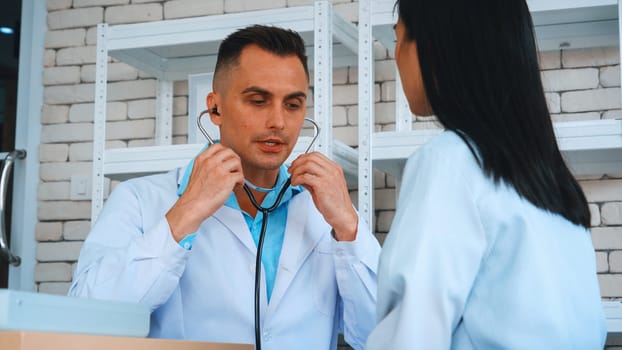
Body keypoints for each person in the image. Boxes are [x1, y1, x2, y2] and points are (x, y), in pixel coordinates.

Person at [69, 25, 380, 350]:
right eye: (258, 101)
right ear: (215, 108)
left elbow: (383, 338)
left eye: (292, 104)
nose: (278, 122)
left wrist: (349, 227)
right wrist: (184, 215)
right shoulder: (140, 200)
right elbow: (84, 321)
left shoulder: (328, 214)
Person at [366, 0, 607, 349]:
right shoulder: (553, 182)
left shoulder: (450, 162)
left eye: (399, 38)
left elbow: (410, 338)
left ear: (437, 46)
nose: (396, 55)